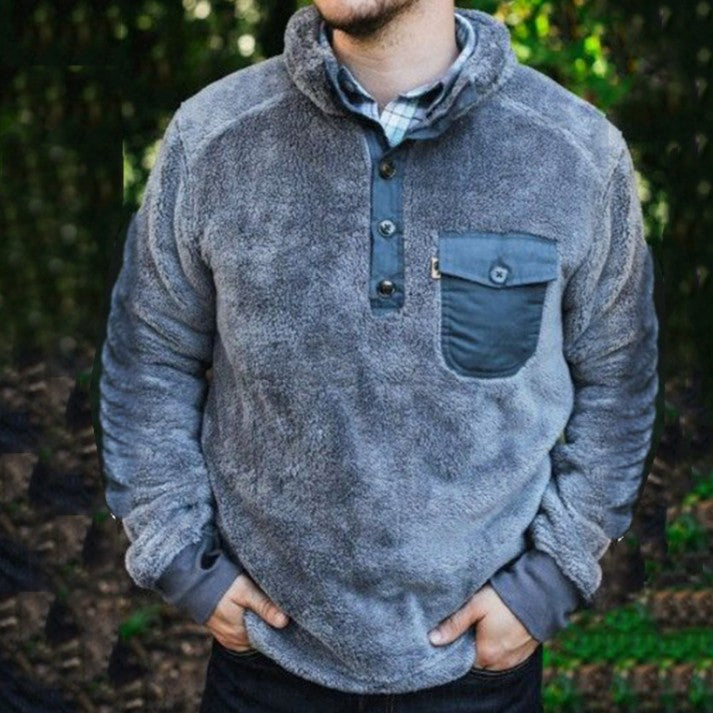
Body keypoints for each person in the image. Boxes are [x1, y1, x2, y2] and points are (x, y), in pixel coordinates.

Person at [96, 1, 661, 711]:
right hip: (264, 662)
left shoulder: (573, 152)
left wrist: (546, 582)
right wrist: (185, 561)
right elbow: (148, 360)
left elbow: (616, 383)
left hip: (477, 671)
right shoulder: (213, 136)